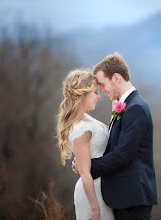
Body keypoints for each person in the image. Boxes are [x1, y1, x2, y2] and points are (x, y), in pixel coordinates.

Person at [73, 53, 158, 219]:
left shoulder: (136, 108)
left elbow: (122, 155)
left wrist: (87, 167)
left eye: (103, 84)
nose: (102, 91)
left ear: (117, 78)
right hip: (124, 197)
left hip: (132, 198)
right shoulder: (127, 105)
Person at [57, 69, 114, 220]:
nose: (99, 96)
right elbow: (85, 172)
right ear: (83, 93)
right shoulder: (80, 128)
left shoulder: (87, 119)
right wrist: (94, 209)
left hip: (105, 190)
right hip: (92, 194)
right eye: (95, 92)